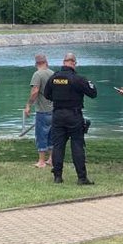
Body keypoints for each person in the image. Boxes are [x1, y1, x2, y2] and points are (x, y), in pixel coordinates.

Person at [43, 52, 97, 185]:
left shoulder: (53, 78)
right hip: (74, 115)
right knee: (77, 145)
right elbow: (93, 93)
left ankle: (57, 176)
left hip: (58, 115)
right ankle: (81, 177)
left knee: (58, 146)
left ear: (64, 62)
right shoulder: (77, 79)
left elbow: (46, 94)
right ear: (73, 63)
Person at [24, 53, 54, 168]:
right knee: (52, 135)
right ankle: (51, 159)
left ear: (36, 63)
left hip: (42, 110)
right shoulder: (52, 74)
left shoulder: (37, 74)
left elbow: (35, 91)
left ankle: (41, 161)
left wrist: (28, 105)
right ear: (46, 62)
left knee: (41, 135)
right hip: (53, 109)